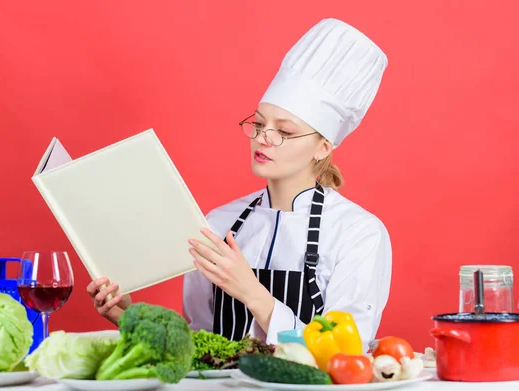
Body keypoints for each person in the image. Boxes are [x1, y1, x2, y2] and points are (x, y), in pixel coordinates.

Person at [87, 18, 391, 352]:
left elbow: (345, 352)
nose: (263, 138)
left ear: (324, 147)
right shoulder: (218, 223)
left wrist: (251, 292)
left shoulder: (357, 233)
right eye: (259, 124)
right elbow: (198, 342)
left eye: (284, 132)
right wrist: (130, 316)